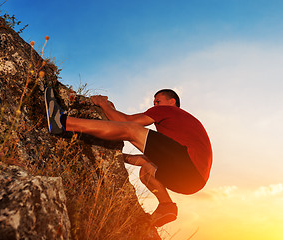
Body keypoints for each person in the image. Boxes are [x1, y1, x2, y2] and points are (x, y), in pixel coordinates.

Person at [44, 87, 213, 227]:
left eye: (157, 101)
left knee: (132, 130)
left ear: (172, 102)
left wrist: (104, 104)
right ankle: (167, 206)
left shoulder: (169, 110)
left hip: (188, 165)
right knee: (147, 170)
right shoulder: (179, 131)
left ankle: (63, 123)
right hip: (193, 181)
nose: (154, 105)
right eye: (154, 103)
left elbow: (126, 122)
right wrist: (118, 156)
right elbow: (144, 160)